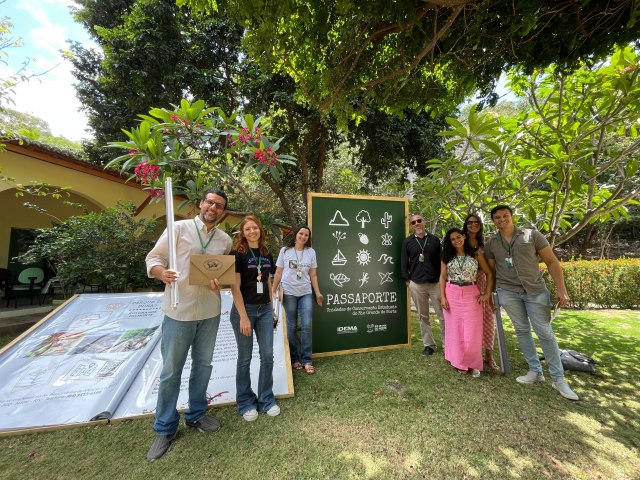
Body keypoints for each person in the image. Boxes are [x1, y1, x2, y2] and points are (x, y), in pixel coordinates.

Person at [145, 189, 233, 461]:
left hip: (209, 312)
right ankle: (164, 428)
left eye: (219, 205)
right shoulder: (179, 229)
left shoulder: (224, 240)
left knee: (203, 366)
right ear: (201, 204)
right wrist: (162, 273)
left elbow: (224, 273)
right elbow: (153, 259)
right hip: (178, 310)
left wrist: (222, 280)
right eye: (210, 202)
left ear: (222, 212)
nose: (213, 208)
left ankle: (196, 415)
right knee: (171, 371)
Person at [484, 205, 579, 401]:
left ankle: (558, 378)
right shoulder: (492, 243)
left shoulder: (532, 236)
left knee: (544, 332)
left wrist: (562, 289)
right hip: (508, 292)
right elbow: (492, 272)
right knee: (521, 330)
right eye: (497, 217)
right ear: (493, 221)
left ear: (512, 217)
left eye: (505, 216)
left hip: (535, 291)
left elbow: (552, 262)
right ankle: (535, 371)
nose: (502, 220)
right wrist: (494, 295)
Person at [229, 215, 280, 421]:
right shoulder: (237, 254)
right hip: (245, 311)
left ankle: (266, 398)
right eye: (248, 229)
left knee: (267, 355)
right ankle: (245, 402)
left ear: (260, 230)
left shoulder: (266, 253)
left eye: (255, 228)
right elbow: (234, 286)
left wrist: (271, 307)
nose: (252, 232)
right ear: (243, 233)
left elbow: (267, 280)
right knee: (245, 357)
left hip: (265, 310)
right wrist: (243, 316)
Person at [439, 228, 493, 377]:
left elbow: (489, 273)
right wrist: (442, 297)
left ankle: (473, 363)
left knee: (472, 331)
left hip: (471, 293)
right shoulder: (446, 256)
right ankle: (459, 362)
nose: (456, 241)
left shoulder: (475, 254)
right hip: (452, 292)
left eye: (458, 237)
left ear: (464, 236)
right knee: (454, 330)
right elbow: (442, 277)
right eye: (452, 239)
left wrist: (487, 293)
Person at [271, 226, 324, 374]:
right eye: (301, 233)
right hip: (288, 292)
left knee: (306, 325)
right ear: (296, 235)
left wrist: (317, 293)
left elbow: (313, 275)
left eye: (306, 235)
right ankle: (295, 358)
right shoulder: (285, 251)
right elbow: (279, 272)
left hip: (306, 292)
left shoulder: (310, 252)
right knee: (292, 326)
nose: (303, 236)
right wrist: (273, 289)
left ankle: (307, 359)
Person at [401, 213, 445, 356]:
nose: (417, 224)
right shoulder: (407, 242)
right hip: (417, 284)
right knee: (423, 316)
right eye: (413, 222)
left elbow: (441, 261)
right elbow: (404, 262)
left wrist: (442, 280)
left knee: (443, 314)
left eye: (419, 221)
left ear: (424, 222)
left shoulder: (434, 240)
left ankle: (448, 344)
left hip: (435, 283)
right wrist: (408, 281)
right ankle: (429, 345)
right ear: (411, 226)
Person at [463, 213, 500, 371]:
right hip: (465, 286)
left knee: (488, 320)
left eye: (476, 222)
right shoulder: (460, 242)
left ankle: (489, 357)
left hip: (484, 283)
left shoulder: (486, 244)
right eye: (470, 222)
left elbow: (491, 270)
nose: (473, 225)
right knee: (470, 322)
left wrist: (490, 293)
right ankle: (471, 356)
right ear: (466, 225)